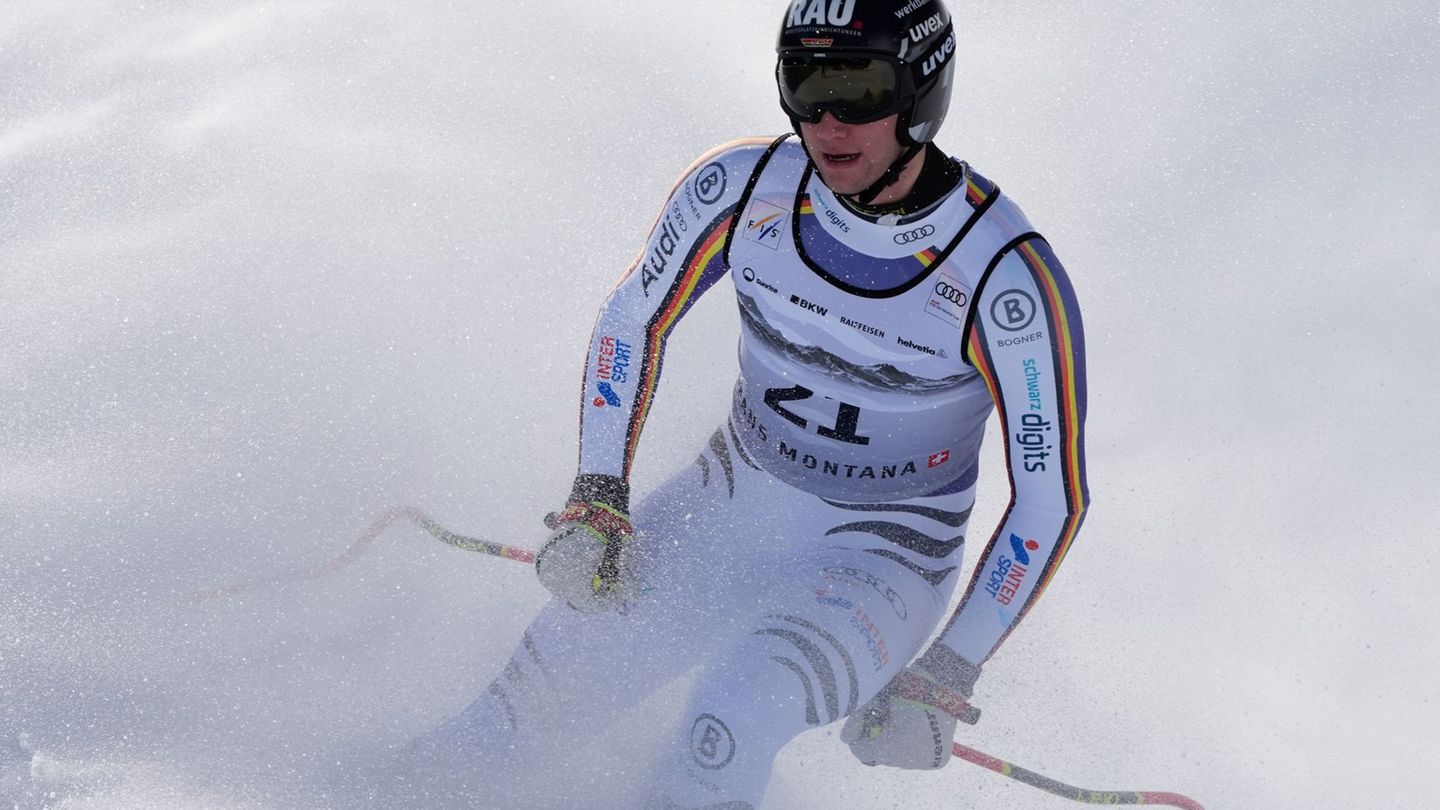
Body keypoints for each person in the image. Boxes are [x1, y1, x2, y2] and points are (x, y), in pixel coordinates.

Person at [399, 0, 1088, 807]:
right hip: (726, 504)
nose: (828, 121)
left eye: (859, 89)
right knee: (522, 708)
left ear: (921, 90)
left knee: (729, 717)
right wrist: (598, 498)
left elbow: (1049, 498)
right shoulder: (743, 186)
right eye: (803, 85)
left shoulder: (1004, 276)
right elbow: (634, 319)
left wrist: (948, 669)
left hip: (882, 558)